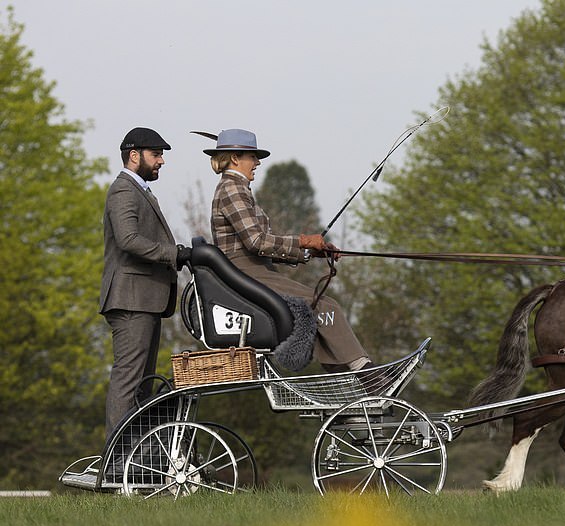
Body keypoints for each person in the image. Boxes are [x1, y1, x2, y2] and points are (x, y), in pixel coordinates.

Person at [203, 128, 371, 371]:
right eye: (253, 157)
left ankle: (350, 375)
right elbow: (256, 242)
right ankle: (365, 373)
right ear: (236, 158)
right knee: (325, 306)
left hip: (255, 271)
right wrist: (303, 241)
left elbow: (262, 244)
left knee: (324, 306)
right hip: (247, 274)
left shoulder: (236, 189)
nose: (257, 162)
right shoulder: (232, 189)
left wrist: (310, 252)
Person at [100, 127, 190, 438]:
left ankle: (133, 464)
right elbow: (128, 240)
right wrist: (174, 254)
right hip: (130, 299)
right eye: (156, 154)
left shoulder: (140, 191)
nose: (162, 161)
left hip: (144, 299)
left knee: (141, 385)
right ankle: (117, 463)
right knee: (129, 381)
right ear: (134, 155)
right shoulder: (124, 190)